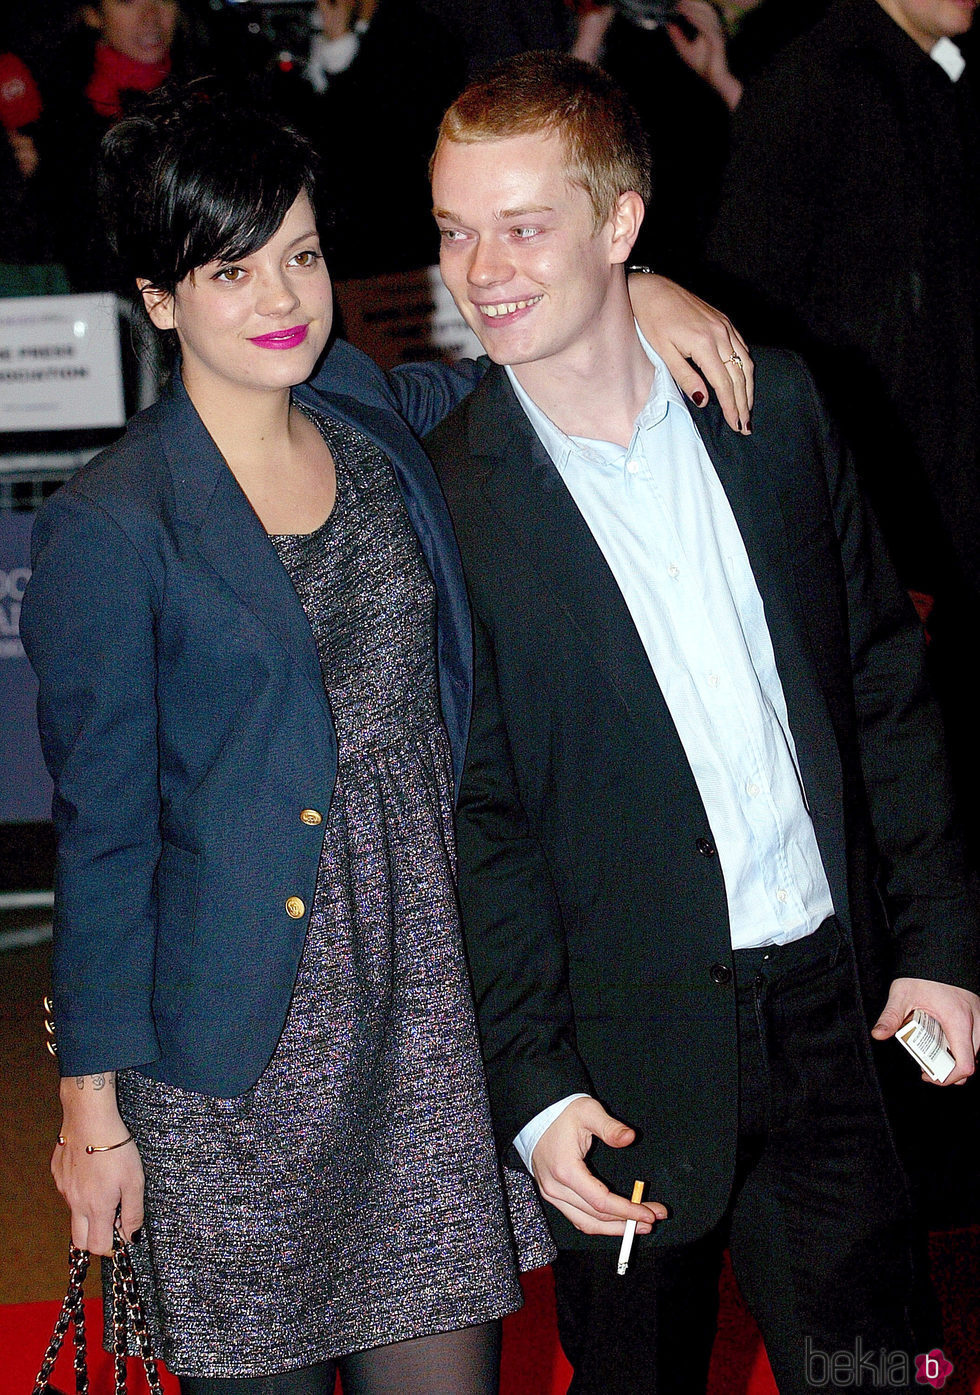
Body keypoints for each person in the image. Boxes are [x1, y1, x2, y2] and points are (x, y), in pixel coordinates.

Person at [21, 80, 754, 1395]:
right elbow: (105, 839)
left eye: (300, 254)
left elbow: (514, 346)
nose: (280, 297)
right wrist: (91, 1114)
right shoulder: (110, 524)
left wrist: (640, 289)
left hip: (422, 1016)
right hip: (235, 1068)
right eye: (231, 269)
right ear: (158, 298)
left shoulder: (367, 409)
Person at [424, 51, 980, 1395]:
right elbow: (481, 824)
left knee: (882, 1372)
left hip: (834, 1018)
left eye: (522, 226)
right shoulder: (447, 497)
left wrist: (942, 940)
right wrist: (539, 1089)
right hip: (622, 1067)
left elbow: (884, 689)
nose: (479, 269)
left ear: (620, 226)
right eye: (452, 229)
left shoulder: (770, 407)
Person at [706, 0, 980, 861]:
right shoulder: (819, 84)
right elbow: (745, 313)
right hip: (886, 516)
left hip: (942, 495)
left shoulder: (928, 80)